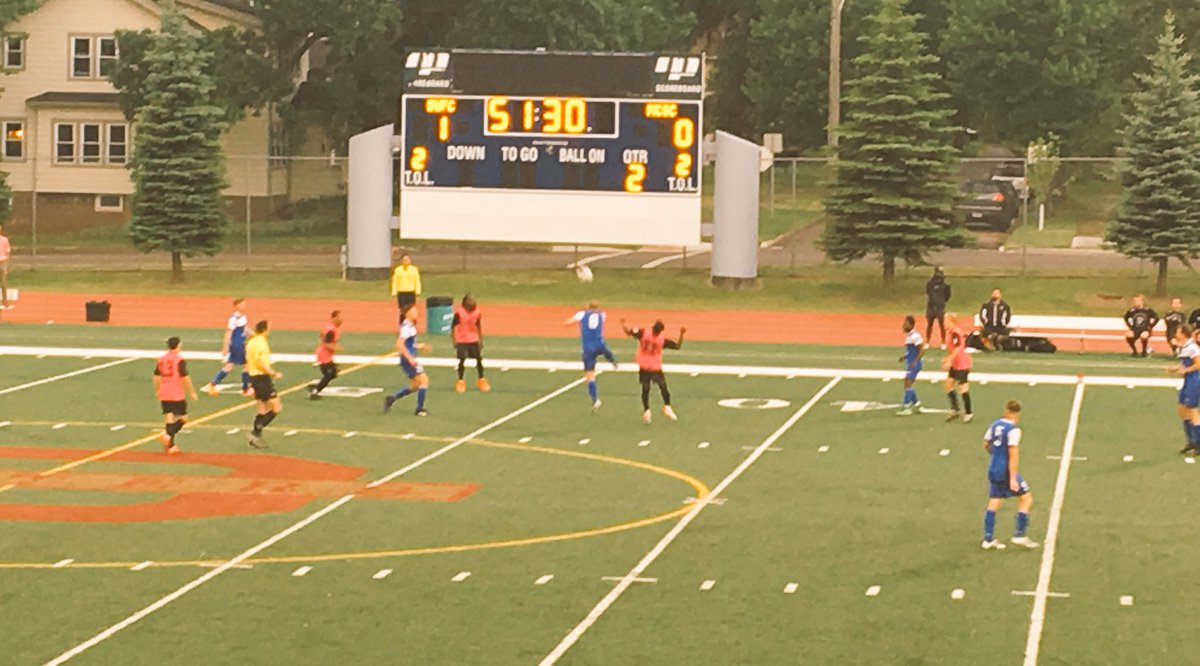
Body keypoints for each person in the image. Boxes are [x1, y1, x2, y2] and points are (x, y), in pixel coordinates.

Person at [982, 400, 1039, 550]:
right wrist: (1013, 477)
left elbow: (986, 444)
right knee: (1026, 498)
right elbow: (1013, 455)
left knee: (994, 501)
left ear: (1006, 410)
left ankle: (988, 539)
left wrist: (995, 455)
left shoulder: (994, 425)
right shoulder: (1014, 430)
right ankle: (1020, 535)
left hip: (993, 467)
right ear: (1017, 414)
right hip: (1005, 470)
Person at [622, 318, 685, 423]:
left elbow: (629, 332)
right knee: (661, 386)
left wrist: (623, 324)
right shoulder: (661, 340)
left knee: (647, 388)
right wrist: (682, 334)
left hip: (645, 365)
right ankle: (666, 406)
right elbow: (677, 346)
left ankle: (648, 409)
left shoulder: (644, 333)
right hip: (653, 366)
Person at [564, 301, 618, 413]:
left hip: (588, 348)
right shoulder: (602, 314)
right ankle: (613, 361)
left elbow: (567, 323)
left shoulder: (582, 314)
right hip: (599, 344)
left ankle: (595, 400)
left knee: (590, 376)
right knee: (604, 349)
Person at [153, 336, 199, 455]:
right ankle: (167, 435)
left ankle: (171, 446)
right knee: (183, 417)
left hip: (165, 391)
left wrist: (158, 390)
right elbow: (185, 377)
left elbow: (157, 376)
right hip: (176, 392)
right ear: (178, 345)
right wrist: (192, 391)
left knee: (169, 417)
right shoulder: (179, 360)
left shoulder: (162, 359)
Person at [384, 305, 430, 416]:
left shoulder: (410, 326)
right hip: (408, 359)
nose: (416, 312)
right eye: (413, 310)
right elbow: (399, 344)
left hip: (408, 358)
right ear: (407, 313)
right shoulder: (406, 327)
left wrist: (419, 346)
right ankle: (419, 409)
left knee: (415, 385)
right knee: (424, 381)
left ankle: (392, 398)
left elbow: (409, 344)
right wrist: (410, 358)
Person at [245, 320, 283, 449]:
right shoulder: (261, 342)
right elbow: (259, 360)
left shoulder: (251, 342)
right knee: (276, 407)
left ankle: (256, 436)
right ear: (265, 329)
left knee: (261, 408)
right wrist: (273, 372)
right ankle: (255, 433)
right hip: (262, 378)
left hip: (254, 377)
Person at [203, 298, 251, 397]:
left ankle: (213, 384)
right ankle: (245, 389)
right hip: (236, 345)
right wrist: (225, 347)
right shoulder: (233, 319)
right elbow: (228, 333)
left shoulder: (243, 317)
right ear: (237, 306)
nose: (244, 306)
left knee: (232, 366)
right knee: (244, 366)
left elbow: (246, 329)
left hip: (241, 344)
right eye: (242, 304)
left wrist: (256, 335)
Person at [1170, 325, 1200, 456]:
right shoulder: (1185, 346)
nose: (1176, 333)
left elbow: (1198, 364)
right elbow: (1185, 363)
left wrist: (1185, 370)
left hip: (1194, 380)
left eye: (1177, 331)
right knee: (1182, 409)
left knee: (1192, 411)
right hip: (1188, 380)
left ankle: (1198, 443)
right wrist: (1176, 369)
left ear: (1183, 333)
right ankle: (1190, 441)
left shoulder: (1192, 347)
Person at [451, 294, 489, 393]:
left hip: (473, 339)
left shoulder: (477, 313)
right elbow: (453, 326)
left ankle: (481, 379)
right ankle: (460, 381)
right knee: (462, 359)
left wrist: (480, 340)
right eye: (470, 301)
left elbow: (478, 325)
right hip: (462, 340)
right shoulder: (459, 313)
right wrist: (454, 340)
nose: (472, 303)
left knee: (478, 359)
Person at [942, 313, 974, 423]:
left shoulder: (955, 332)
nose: (944, 322)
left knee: (963, 388)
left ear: (952, 321)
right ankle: (955, 409)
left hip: (962, 364)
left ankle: (969, 413)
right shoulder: (950, 332)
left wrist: (950, 359)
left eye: (946, 320)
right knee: (948, 384)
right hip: (955, 364)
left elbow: (957, 348)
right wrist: (948, 358)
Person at [308, 310, 343, 400]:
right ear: (334, 318)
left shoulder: (330, 327)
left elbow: (321, 336)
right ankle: (315, 391)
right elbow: (327, 344)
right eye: (339, 317)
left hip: (325, 355)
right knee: (330, 374)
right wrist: (336, 348)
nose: (341, 320)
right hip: (324, 356)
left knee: (333, 373)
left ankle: (315, 386)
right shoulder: (331, 330)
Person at [897, 315, 924, 416]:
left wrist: (914, 362)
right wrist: (904, 357)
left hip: (914, 364)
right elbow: (912, 351)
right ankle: (917, 404)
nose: (903, 325)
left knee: (907, 384)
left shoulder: (915, 336)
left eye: (906, 323)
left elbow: (921, 351)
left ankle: (907, 407)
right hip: (911, 363)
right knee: (908, 384)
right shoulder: (909, 337)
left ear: (911, 325)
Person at [925, 267, 951, 348]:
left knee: (942, 325)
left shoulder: (945, 285)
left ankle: (943, 342)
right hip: (931, 306)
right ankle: (927, 341)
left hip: (940, 307)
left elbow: (948, 295)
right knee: (929, 324)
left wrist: (942, 301)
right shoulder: (930, 283)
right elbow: (928, 292)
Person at [0, 223, 11, 309]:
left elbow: (7, 252)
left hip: (3, 261)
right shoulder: (5, 239)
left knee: (3, 283)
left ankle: (4, 300)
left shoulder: (4, 240)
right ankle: (4, 301)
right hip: (3, 261)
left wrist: (7, 263)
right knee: (3, 282)